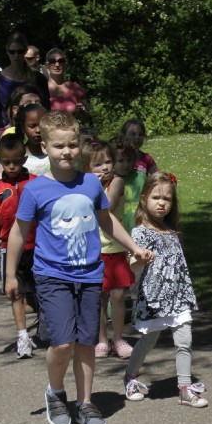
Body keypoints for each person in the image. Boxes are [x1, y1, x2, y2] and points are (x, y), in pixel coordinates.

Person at [4, 110, 153, 424]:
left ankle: (85, 402)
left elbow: (106, 220)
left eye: (72, 144)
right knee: (61, 342)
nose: (66, 151)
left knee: (86, 342)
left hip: (89, 275)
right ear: (44, 147)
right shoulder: (35, 190)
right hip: (52, 276)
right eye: (59, 146)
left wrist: (133, 247)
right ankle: (56, 393)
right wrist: (10, 274)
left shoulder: (90, 183)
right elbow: (18, 232)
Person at [121, 172, 206, 407]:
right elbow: (132, 265)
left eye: (167, 199)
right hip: (154, 298)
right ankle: (130, 376)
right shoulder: (139, 232)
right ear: (144, 199)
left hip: (178, 296)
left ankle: (185, 388)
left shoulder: (170, 230)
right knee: (148, 341)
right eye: (156, 197)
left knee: (184, 341)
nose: (162, 203)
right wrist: (140, 259)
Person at [0, 134, 38, 359]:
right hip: (10, 249)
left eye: (16, 161)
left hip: (37, 246)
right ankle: (23, 336)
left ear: (24, 159)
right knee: (15, 293)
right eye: (6, 162)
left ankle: (45, 325)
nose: (12, 167)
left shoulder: (35, 183)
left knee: (42, 289)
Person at [80, 139, 135, 359]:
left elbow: (107, 207)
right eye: (98, 164)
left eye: (108, 162)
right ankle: (102, 340)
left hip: (116, 248)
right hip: (94, 250)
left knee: (118, 295)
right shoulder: (85, 186)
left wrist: (92, 188)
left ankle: (119, 338)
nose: (105, 168)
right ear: (87, 169)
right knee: (99, 298)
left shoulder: (117, 182)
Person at [0, 32, 50, 143]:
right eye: (12, 51)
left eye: (20, 51)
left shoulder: (38, 78)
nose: (16, 55)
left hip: (34, 135)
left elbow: (46, 110)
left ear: (25, 51)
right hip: (6, 135)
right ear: (7, 51)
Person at [45, 48, 87, 115]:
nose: (57, 65)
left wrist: (81, 111)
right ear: (47, 65)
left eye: (61, 61)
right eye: (52, 61)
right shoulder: (42, 89)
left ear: (65, 64)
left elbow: (87, 117)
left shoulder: (75, 88)